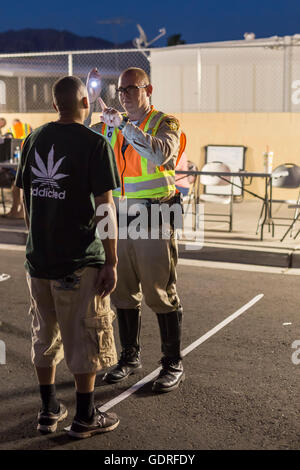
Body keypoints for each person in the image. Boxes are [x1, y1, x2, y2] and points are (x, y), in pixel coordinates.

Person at [15, 75, 121, 439]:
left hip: (39, 260)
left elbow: (28, 200)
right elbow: (105, 207)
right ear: (85, 104)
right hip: (79, 259)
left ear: (54, 105)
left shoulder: (33, 139)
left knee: (44, 335)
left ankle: (48, 410)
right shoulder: (94, 143)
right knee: (85, 336)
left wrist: (37, 239)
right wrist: (111, 260)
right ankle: (86, 416)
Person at [85, 67, 185, 393]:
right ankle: (130, 357)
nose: (125, 95)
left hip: (155, 217)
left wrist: (124, 126)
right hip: (120, 219)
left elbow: (160, 153)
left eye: (131, 88)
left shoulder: (164, 122)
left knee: (160, 292)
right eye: (120, 90)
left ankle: (172, 363)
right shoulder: (111, 126)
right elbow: (83, 138)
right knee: (123, 292)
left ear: (148, 89)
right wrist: (88, 103)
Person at [2, 119, 33, 219]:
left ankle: (19, 211)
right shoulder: (27, 127)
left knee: (19, 184)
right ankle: (15, 210)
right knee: (15, 184)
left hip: (23, 160)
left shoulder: (13, 129)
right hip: (22, 158)